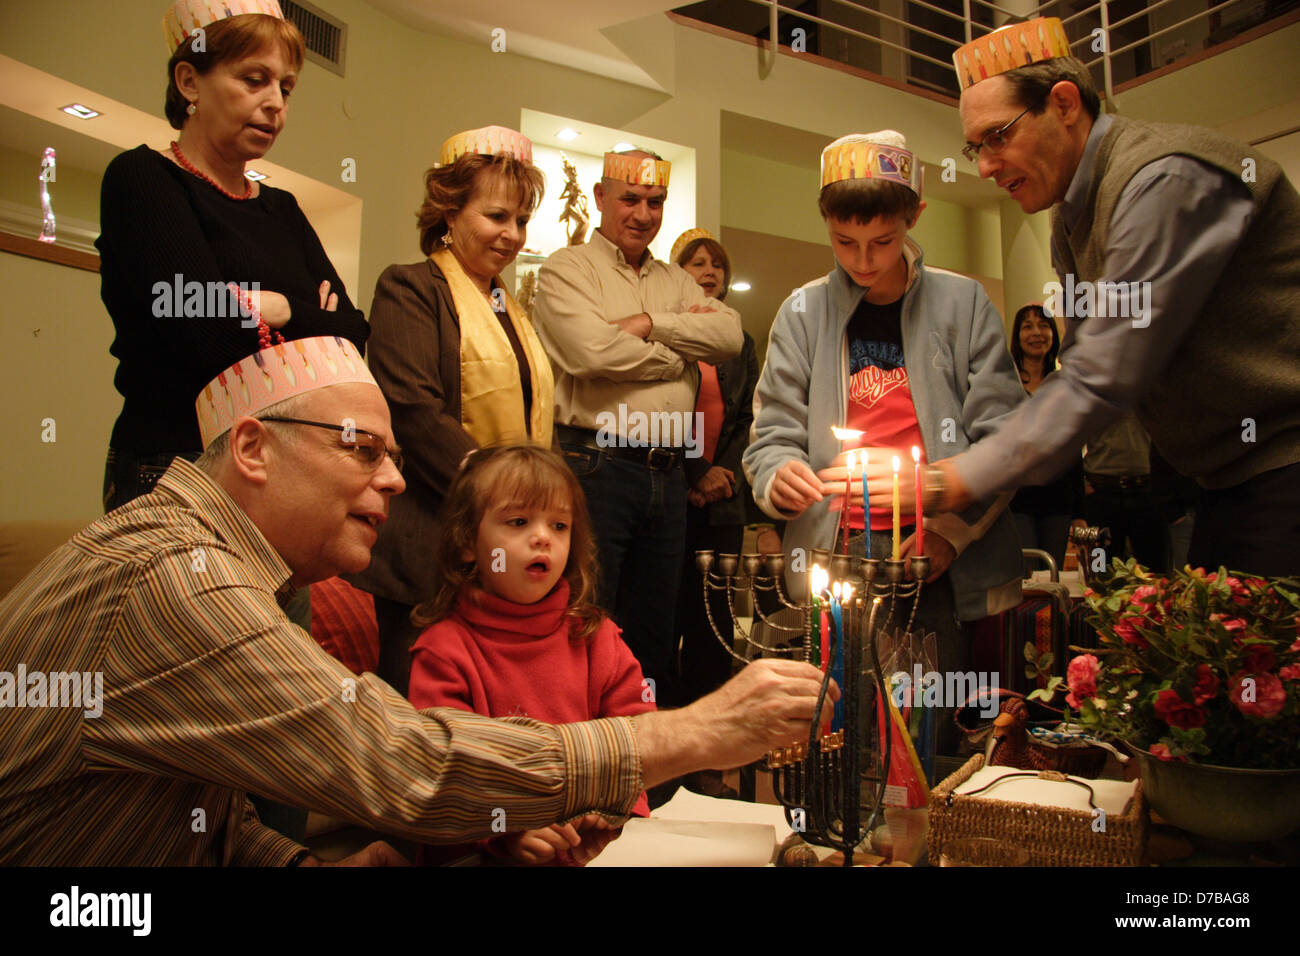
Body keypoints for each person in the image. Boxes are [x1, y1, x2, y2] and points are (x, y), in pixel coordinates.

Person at [0, 335, 834, 865]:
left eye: (396, 454)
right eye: (365, 450)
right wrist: (699, 730)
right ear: (252, 449)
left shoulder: (199, 557)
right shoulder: (181, 578)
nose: (398, 480)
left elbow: (176, 810)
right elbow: (410, 762)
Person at [908, 16, 1300, 578]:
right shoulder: (1071, 216)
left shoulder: (1162, 178)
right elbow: (1082, 368)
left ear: (1065, 103)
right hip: (1226, 482)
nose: (988, 166)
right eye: (976, 149)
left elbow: (1102, 374)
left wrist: (947, 481)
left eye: (999, 136)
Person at [744, 131, 1024, 759]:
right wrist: (778, 473)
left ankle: (917, 847)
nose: (863, 261)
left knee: (923, 724)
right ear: (826, 225)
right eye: (844, 243)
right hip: (833, 550)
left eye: (882, 242)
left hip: (930, 550)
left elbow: (1006, 440)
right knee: (836, 724)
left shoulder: (962, 304)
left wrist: (948, 530)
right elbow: (770, 434)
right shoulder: (802, 312)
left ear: (913, 217)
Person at [98, 0, 366, 512]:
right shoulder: (144, 179)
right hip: (178, 464)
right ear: (189, 82)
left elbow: (354, 337)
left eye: (285, 88)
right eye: (253, 80)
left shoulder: (281, 207)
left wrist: (282, 310)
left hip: (284, 468)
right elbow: (201, 334)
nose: (275, 104)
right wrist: (315, 322)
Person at [532, 150, 743, 716]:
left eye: (655, 202)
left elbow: (728, 337)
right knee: (584, 622)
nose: (643, 213)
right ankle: (580, 772)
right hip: (595, 467)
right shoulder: (566, 269)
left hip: (668, 474)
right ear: (601, 197)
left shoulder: (676, 280)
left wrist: (651, 325)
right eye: (630, 198)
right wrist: (675, 356)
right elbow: (588, 352)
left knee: (652, 635)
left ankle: (644, 778)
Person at [347, 126, 553, 697]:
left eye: (520, 221)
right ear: (448, 212)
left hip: (501, 545)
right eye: (495, 217)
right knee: (419, 722)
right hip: (428, 550)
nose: (512, 236)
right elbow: (413, 411)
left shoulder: (510, 309)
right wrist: (511, 494)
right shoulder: (409, 288)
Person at [407, 445, 653, 865]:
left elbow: (640, 734)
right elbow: (443, 774)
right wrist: (504, 830)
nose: (543, 537)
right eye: (518, 522)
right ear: (468, 542)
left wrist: (609, 813)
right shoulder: (443, 650)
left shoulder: (598, 637)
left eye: (559, 525)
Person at [670, 228, 761, 711]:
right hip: (671, 490)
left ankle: (708, 726)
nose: (709, 272)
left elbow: (748, 415)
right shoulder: (667, 330)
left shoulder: (740, 340)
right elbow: (659, 409)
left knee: (714, 616)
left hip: (723, 499)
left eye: (717, 265)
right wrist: (693, 471)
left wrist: (720, 474)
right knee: (666, 612)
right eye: (697, 263)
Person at [1007, 302, 1083, 571]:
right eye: (1027, 326)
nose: (1036, 333)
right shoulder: (1006, 383)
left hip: (1058, 497)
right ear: (1017, 336)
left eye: (1043, 326)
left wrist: (1079, 511)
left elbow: (1073, 447)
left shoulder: (1066, 383)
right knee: (1026, 577)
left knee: (1053, 577)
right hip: (1017, 497)